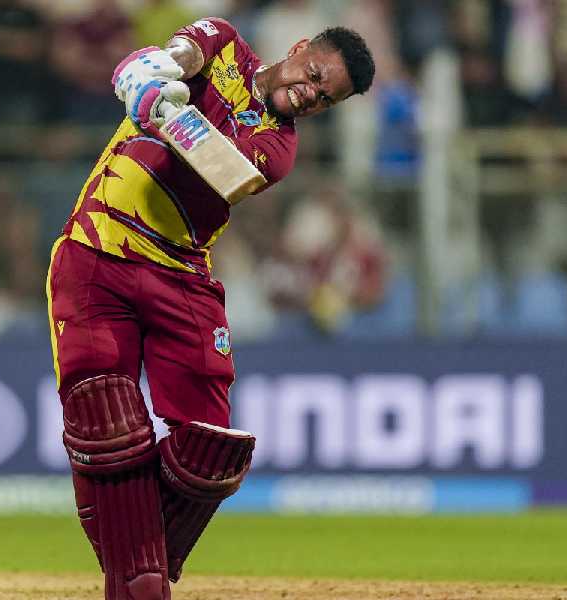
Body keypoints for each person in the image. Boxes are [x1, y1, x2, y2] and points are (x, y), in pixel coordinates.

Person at [46, 17, 374, 600]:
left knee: (211, 450)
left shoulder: (279, 150)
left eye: (326, 98)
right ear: (298, 49)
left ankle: (136, 558)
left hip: (180, 274)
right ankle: (141, 581)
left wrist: (163, 108)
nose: (310, 93)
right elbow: (183, 55)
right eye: (314, 75)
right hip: (98, 248)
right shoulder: (224, 42)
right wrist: (157, 68)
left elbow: (223, 169)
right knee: (108, 422)